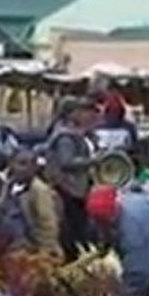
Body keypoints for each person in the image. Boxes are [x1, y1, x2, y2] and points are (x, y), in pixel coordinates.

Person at [45, 97, 100, 259]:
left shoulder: (78, 133)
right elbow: (66, 161)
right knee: (72, 228)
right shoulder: (65, 137)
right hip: (69, 188)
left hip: (77, 187)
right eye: (79, 111)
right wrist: (93, 161)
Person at [0, 148, 62, 256]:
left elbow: (48, 224)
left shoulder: (39, 190)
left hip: (29, 246)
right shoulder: (8, 186)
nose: (23, 169)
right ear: (11, 164)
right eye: (20, 164)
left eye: (28, 165)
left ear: (34, 168)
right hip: (5, 243)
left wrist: (45, 252)